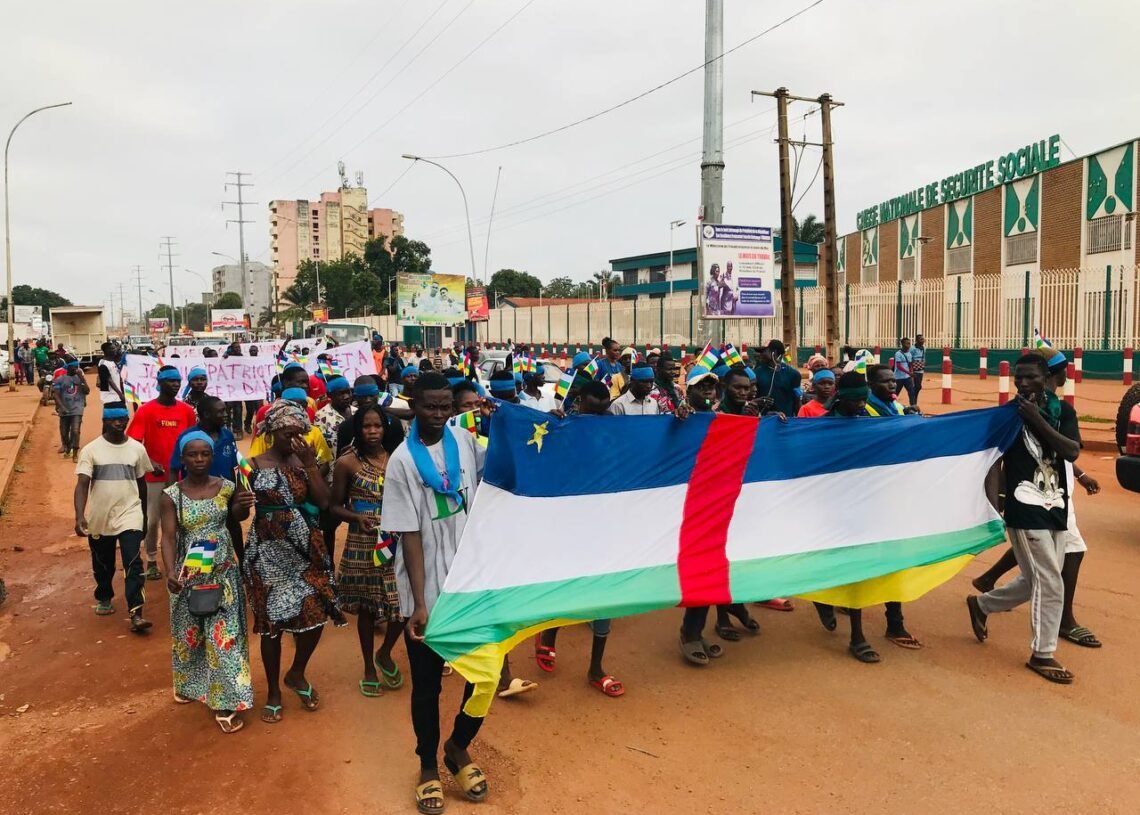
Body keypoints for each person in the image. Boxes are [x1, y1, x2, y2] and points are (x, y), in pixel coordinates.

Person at [379, 372, 489, 812]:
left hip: (471, 581)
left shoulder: (464, 442)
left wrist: (515, 424)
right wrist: (420, 604)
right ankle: (428, 765)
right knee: (427, 686)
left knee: (485, 674)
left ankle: (458, 746)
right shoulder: (403, 462)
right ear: (414, 406)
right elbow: (407, 535)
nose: (439, 414)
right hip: (426, 588)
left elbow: (498, 473)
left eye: (446, 406)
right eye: (430, 406)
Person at [970, 352, 1102, 649]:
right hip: (1023, 505)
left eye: (1031, 377)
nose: (1024, 383)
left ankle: (982, 604)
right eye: (1019, 378)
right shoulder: (1006, 415)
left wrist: (1036, 419)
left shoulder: (1062, 412)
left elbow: (1069, 452)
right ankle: (1043, 652)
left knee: (1034, 581)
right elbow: (993, 462)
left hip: (1056, 504)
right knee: (1051, 582)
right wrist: (994, 504)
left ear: (1047, 380)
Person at [243, 400, 345, 723]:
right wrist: (238, 507)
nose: (294, 439)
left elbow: (324, 502)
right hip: (267, 553)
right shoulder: (251, 465)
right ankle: (273, 691)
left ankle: (297, 672)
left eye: (299, 433)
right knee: (271, 626)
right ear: (272, 430)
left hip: (305, 551)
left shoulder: (305, 464)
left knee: (314, 614)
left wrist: (311, 465)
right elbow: (240, 512)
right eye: (288, 433)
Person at [159, 431, 255, 734]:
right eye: (192, 454)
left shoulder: (226, 487)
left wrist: (243, 504)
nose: (199, 460)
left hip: (222, 573)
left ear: (212, 456)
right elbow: (169, 536)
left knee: (223, 638)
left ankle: (226, 702)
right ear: (183, 458)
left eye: (205, 454)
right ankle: (190, 685)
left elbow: (236, 518)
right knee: (191, 638)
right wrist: (170, 572)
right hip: (188, 576)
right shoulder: (171, 495)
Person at [535, 381, 624, 698]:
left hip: (606, 527)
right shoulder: (561, 427)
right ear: (577, 403)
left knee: (605, 595)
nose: (596, 418)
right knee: (566, 586)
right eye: (590, 411)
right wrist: (550, 426)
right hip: (569, 527)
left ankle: (595, 668)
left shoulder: (616, 431)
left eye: (602, 412)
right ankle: (548, 635)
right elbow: (538, 457)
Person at [800, 372, 883, 663]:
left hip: (859, 507)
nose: (861, 405)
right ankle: (822, 599)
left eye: (864, 399)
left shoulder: (869, 421)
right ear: (841, 398)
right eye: (856, 400)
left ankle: (857, 637)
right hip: (826, 507)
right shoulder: (823, 426)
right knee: (826, 561)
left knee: (856, 568)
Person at [330, 404, 407, 698]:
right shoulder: (347, 463)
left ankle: (385, 652)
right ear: (357, 429)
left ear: (385, 428)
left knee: (402, 605)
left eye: (377, 426)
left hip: (397, 536)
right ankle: (368, 668)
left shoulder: (398, 458)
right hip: (363, 541)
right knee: (366, 607)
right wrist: (355, 517)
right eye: (366, 426)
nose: (373, 431)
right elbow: (335, 505)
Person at [74, 406, 154, 633]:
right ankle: (105, 595)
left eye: (123, 419)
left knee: (133, 562)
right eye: (115, 420)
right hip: (101, 516)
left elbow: (141, 484)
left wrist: (144, 516)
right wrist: (80, 515)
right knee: (103, 562)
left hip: (130, 513)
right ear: (105, 422)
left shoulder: (137, 449)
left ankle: (136, 613)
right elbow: (82, 484)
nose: (120, 423)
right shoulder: (91, 450)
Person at [677, 367, 729, 667]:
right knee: (697, 571)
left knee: (710, 569)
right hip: (686, 507)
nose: (708, 392)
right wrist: (677, 420)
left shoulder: (726, 421)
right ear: (689, 392)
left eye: (711, 387)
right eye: (701, 388)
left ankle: (694, 629)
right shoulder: (677, 418)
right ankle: (689, 632)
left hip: (715, 505)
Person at [127, 366, 197, 580]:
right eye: (170, 381)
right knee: (152, 520)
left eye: (178, 381)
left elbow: (194, 440)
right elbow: (133, 443)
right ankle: (151, 558)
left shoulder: (186, 411)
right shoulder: (146, 410)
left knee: (185, 519)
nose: (176, 385)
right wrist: (150, 462)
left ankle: (181, 558)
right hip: (154, 476)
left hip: (182, 476)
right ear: (160, 382)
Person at [753, 339, 802, 417]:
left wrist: (799, 422)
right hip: (763, 420)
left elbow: (797, 401)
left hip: (785, 421)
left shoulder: (793, 374)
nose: (760, 354)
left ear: (774, 352)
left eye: (763, 351)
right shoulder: (756, 373)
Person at [53, 359, 90, 460]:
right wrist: (61, 407)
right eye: (74, 367)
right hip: (65, 409)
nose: (76, 369)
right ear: (68, 368)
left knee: (75, 430)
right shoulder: (60, 379)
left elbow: (87, 391)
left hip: (77, 408)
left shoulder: (80, 378)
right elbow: (55, 394)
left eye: (77, 367)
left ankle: (75, 453)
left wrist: (82, 378)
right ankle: (67, 447)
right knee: (64, 432)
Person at [222, 342, 246, 439]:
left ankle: (238, 430)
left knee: (238, 410)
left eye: (239, 347)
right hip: (228, 389)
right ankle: (228, 428)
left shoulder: (242, 358)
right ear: (231, 349)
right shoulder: (227, 357)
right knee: (227, 410)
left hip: (237, 389)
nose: (238, 349)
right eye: (236, 347)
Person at [97, 342, 126, 407]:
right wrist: (120, 395)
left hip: (117, 396)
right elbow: (109, 380)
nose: (115, 349)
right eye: (112, 348)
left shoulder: (112, 361)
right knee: (117, 416)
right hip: (110, 397)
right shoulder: (103, 364)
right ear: (107, 350)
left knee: (123, 416)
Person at [244, 345, 263, 434]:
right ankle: (247, 424)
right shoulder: (245, 362)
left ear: (257, 351)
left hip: (259, 390)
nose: (253, 352)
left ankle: (259, 426)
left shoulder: (261, 361)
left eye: (254, 350)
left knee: (260, 409)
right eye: (251, 351)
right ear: (249, 352)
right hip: (248, 391)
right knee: (250, 410)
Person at [893, 337, 915, 407]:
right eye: (907, 343)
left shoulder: (909, 353)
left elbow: (910, 364)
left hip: (907, 377)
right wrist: (909, 373)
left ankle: (913, 406)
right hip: (898, 378)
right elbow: (899, 366)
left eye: (909, 343)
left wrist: (911, 372)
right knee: (895, 394)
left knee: (911, 392)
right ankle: (891, 405)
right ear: (902, 344)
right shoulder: (898, 354)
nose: (908, 345)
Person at [910, 334, 926, 404]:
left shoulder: (924, 348)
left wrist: (923, 363)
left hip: (921, 369)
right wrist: (911, 370)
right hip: (914, 369)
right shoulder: (912, 348)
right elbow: (909, 358)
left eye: (923, 339)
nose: (923, 340)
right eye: (921, 339)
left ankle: (914, 401)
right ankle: (913, 401)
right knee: (917, 386)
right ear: (916, 340)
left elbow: (924, 357)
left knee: (918, 386)